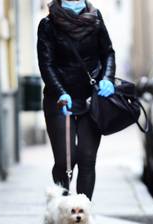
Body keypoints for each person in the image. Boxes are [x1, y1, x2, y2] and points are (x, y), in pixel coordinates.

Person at [37, 0, 115, 200]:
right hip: (61, 101)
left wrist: (107, 79)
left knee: (87, 159)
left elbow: (108, 52)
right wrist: (60, 91)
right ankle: (61, 212)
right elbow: (47, 64)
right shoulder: (48, 25)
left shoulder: (95, 18)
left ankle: (82, 220)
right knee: (65, 161)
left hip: (91, 100)